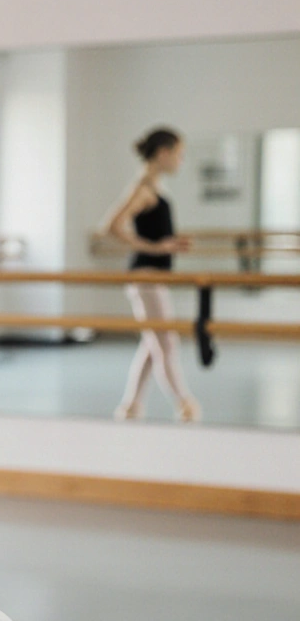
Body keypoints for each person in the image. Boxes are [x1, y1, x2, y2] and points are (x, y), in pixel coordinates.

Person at [101, 126, 202, 422]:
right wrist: (155, 248)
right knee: (166, 343)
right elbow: (112, 226)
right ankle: (185, 403)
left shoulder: (154, 188)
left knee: (153, 343)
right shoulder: (143, 189)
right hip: (145, 276)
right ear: (163, 153)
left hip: (154, 276)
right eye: (179, 155)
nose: (181, 161)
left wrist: (167, 245)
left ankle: (130, 406)